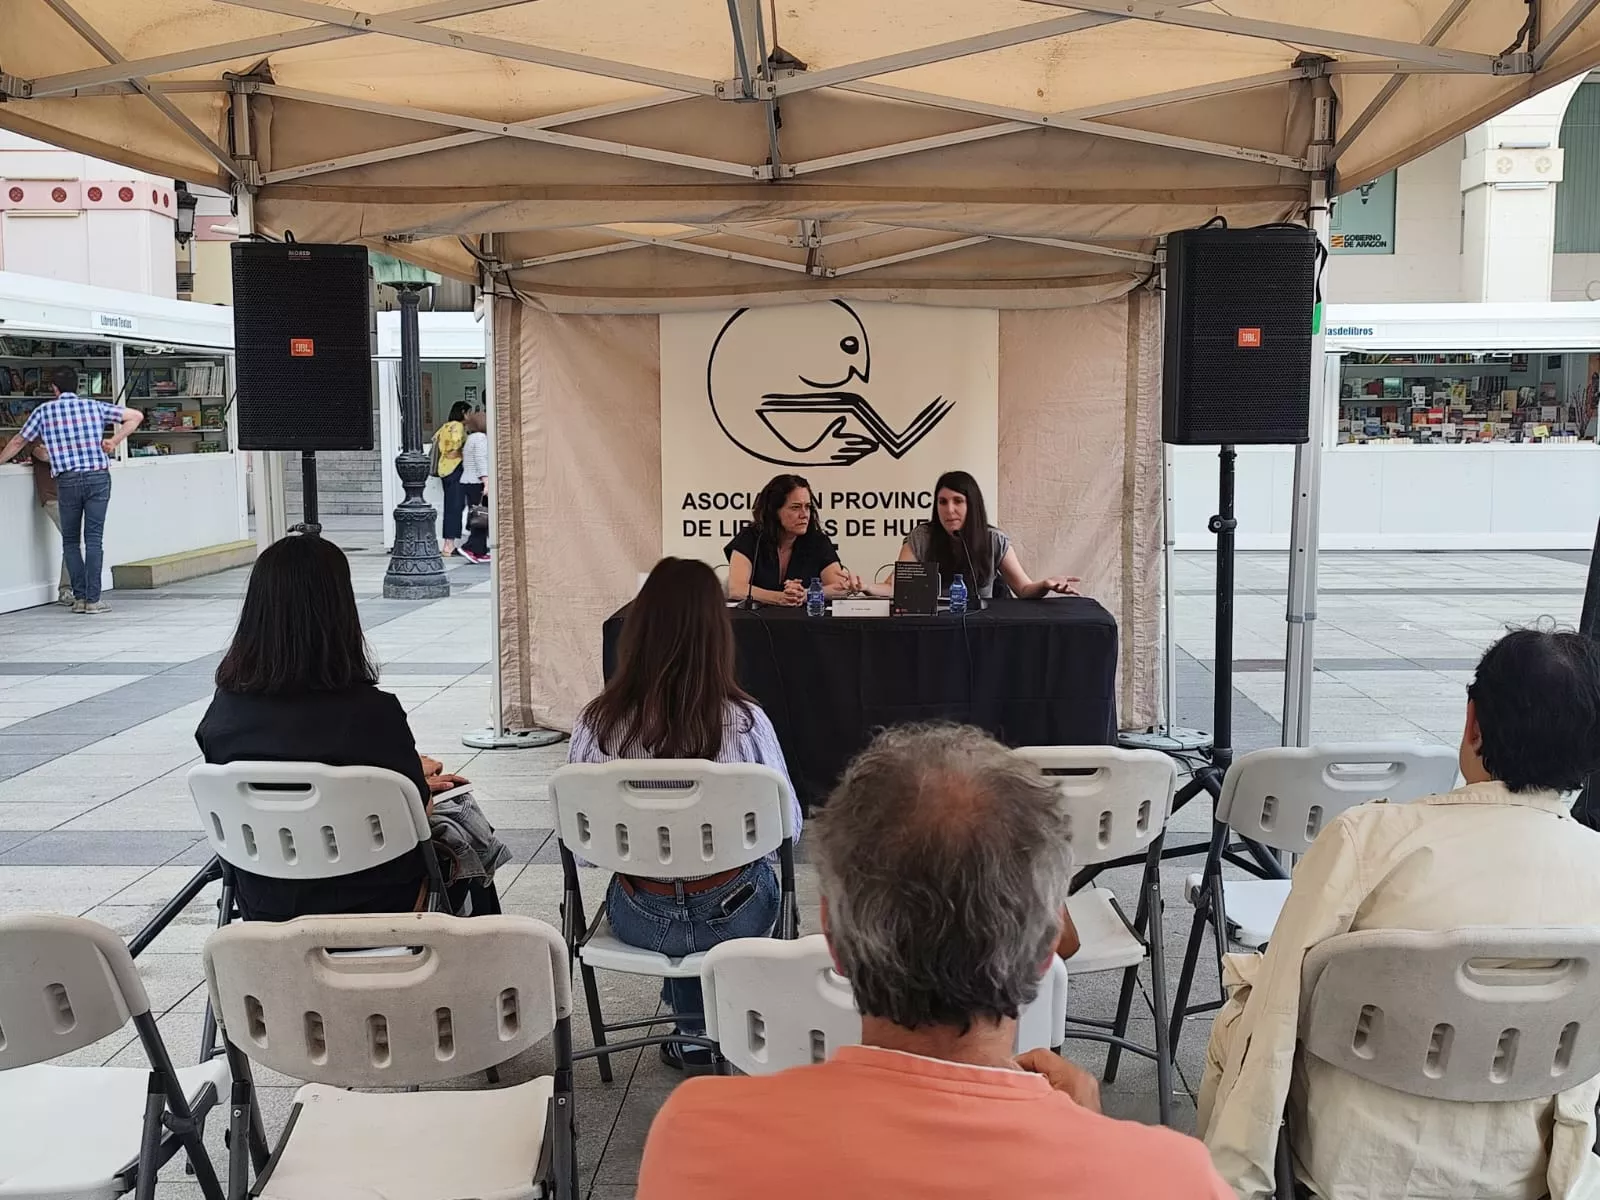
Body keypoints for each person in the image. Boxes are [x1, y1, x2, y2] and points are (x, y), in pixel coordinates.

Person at [638, 723, 1231, 1200]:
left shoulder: (696, 1135)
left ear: (833, 933)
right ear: (1049, 940)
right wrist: (1098, 1146)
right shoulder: (1176, 1180)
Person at [1199, 626, 1600, 1200]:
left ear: (1473, 724)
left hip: (1350, 1161)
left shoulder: (1368, 839)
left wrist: (1239, 1172)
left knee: (1246, 1006)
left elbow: (1277, 1007)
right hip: (1521, 1165)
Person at [195, 533, 505, 921]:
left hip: (267, 905)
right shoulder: (374, 715)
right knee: (467, 839)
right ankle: (486, 955)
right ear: (339, 612)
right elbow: (419, 813)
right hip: (382, 904)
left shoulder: (223, 715)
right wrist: (410, 785)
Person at [569, 556, 801, 1070]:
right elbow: (788, 829)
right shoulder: (745, 722)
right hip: (736, 916)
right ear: (717, 635)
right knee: (749, 873)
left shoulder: (596, 724)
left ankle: (693, 1030)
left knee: (661, 878)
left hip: (640, 919)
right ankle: (722, 1023)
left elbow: (581, 852)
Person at [0, 366, 142, 613]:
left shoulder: (44, 412)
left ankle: (79, 598)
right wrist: (114, 441)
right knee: (94, 539)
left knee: (71, 541)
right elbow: (135, 416)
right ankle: (94, 600)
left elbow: (19, 441)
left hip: (67, 480)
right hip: (97, 478)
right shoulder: (94, 406)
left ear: (54, 388)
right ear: (77, 386)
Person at [724, 473, 862, 606]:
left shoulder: (818, 541)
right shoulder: (750, 537)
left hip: (805, 621)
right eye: (796, 507)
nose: (804, 514)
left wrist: (805, 595)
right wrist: (780, 598)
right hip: (756, 620)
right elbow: (736, 589)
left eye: (807, 507)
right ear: (774, 511)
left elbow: (840, 588)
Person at [28, 440, 73, 606]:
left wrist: (54, 450)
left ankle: (70, 588)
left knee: (75, 540)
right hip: (52, 496)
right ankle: (66, 589)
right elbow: (44, 456)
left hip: (71, 494)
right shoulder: (35, 437)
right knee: (72, 539)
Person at [433, 400, 470, 556]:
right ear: (463, 412)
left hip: (444, 469)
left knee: (450, 506)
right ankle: (449, 545)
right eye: (468, 412)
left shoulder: (444, 426)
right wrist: (462, 452)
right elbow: (455, 445)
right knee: (455, 506)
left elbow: (435, 440)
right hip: (455, 469)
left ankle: (448, 543)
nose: (470, 416)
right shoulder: (457, 426)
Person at [458, 408, 490, 563]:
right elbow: (481, 460)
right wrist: (486, 482)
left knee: (478, 516)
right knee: (482, 517)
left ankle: (480, 550)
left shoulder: (471, 438)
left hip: (468, 481)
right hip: (478, 482)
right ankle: (471, 548)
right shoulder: (481, 438)